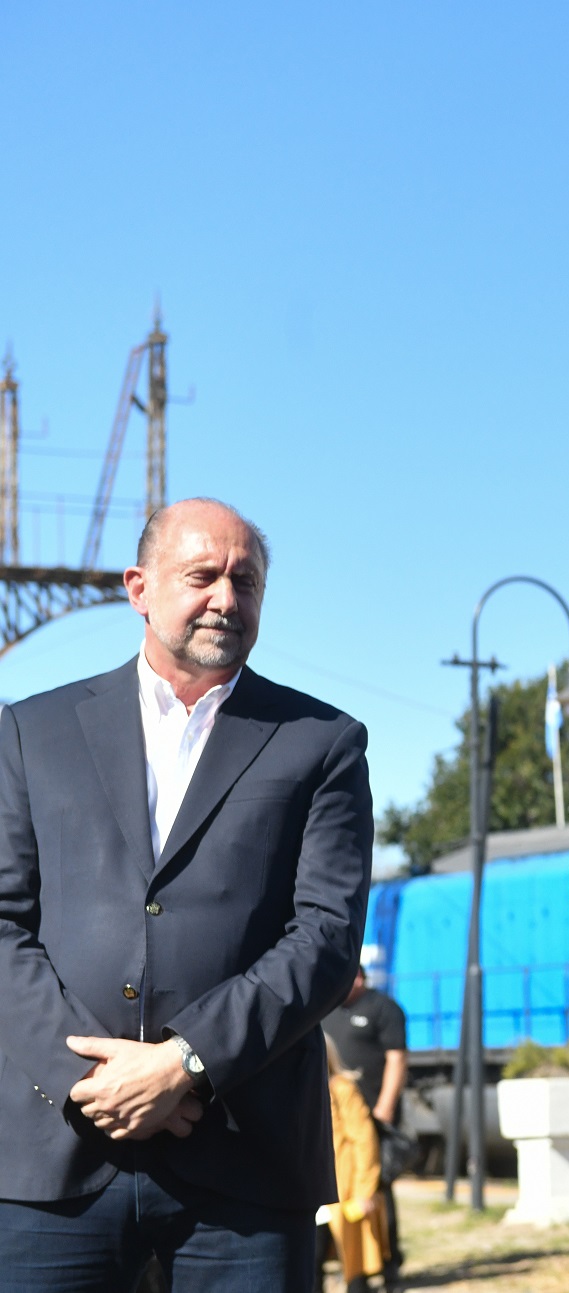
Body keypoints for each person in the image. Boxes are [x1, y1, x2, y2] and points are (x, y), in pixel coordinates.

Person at [0, 498, 374, 1291]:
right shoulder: (31, 731)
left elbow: (325, 937)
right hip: (53, 1155)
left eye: (247, 582)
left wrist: (186, 1062)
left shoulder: (323, 741)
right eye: (203, 575)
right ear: (139, 587)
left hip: (245, 1155)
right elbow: (3, 925)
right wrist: (93, 1082)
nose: (227, 599)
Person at [323, 962, 409, 1283]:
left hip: (373, 1115)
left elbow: (397, 1058)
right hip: (339, 1122)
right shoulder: (327, 1010)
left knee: (378, 1194)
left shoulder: (383, 1008)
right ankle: (347, 1264)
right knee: (340, 1201)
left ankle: (390, 1265)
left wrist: (385, 1108)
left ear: (359, 977)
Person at [319, 1035, 390, 1293]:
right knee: (313, 1262)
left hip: (344, 1188)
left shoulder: (342, 1088)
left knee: (353, 1264)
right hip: (314, 1196)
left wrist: (365, 1188)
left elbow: (364, 1140)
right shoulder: (300, 1091)